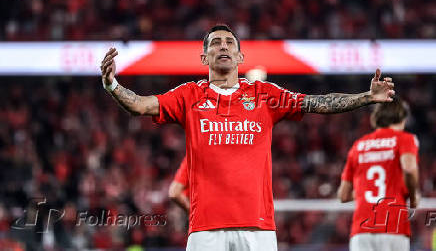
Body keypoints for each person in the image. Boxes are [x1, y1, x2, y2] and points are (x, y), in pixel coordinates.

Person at [100, 24, 395, 251]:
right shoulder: (189, 95)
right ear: (204, 57)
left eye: (229, 42)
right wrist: (112, 84)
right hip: (205, 229)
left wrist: (366, 97)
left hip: (259, 228)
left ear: (241, 56)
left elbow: (316, 103)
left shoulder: (265, 95)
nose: (223, 46)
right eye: (216, 43)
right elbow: (140, 105)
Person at [337, 98, 419, 251]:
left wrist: (364, 190)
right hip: (393, 225)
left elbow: (343, 195)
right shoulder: (405, 139)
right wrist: (413, 197)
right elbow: (409, 168)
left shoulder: (358, 145)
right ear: (402, 117)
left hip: (361, 228)